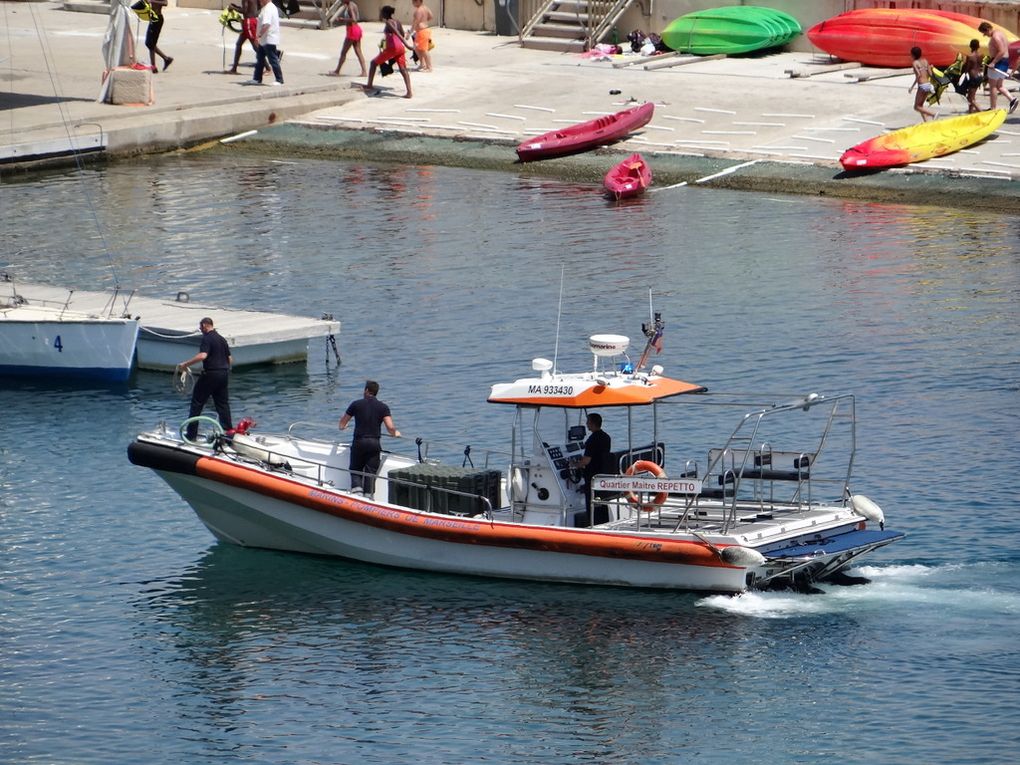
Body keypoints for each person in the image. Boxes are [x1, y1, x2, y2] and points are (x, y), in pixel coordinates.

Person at [338, 380, 401, 496]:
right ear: (376, 392)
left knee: (356, 469)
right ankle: (368, 496)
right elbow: (390, 427)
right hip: (374, 443)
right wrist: (396, 433)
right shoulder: (383, 407)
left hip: (359, 441)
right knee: (371, 472)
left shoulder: (356, 404)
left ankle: (357, 494)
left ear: (366, 390)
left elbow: (342, 424)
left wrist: (343, 426)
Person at [178, 318, 233, 442]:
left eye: (201, 328)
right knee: (222, 405)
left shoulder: (207, 338)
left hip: (210, 374)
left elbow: (203, 355)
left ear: (204, 326)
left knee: (197, 402)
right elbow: (230, 359)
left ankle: (191, 434)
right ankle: (228, 434)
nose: (201, 330)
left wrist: (186, 364)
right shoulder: (222, 339)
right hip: (223, 374)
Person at [570, 413, 612, 525]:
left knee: (591, 504)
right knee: (602, 502)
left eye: (588, 422)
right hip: (603, 474)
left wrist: (573, 464)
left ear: (592, 423)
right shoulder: (606, 437)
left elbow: (586, 461)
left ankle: (593, 523)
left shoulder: (591, 440)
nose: (586, 424)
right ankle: (604, 522)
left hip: (592, 476)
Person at [363, 5, 412, 99]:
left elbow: (397, 33)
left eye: (381, 13)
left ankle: (369, 85)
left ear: (385, 14)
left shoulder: (388, 22)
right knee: (403, 69)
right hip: (400, 48)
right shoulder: (397, 21)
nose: (380, 14)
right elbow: (401, 33)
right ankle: (409, 92)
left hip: (392, 48)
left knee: (373, 63)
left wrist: (408, 45)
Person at [978, 21, 1018, 113]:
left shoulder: (995, 37)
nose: (985, 35)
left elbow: (1001, 51)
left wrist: (993, 62)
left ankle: (993, 108)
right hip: (1004, 61)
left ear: (987, 29)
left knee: (993, 86)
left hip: (998, 62)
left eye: (984, 33)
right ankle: (1012, 99)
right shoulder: (1000, 33)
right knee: (999, 86)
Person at [247, 0, 284, 87]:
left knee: (273, 59)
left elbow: (266, 24)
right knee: (259, 59)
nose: (259, 1)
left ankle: (279, 79)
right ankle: (257, 78)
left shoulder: (268, 9)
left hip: (269, 39)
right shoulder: (269, 7)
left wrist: (258, 36)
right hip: (264, 40)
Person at [329, 0, 367, 77]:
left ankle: (337, 71)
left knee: (343, 52)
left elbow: (354, 19)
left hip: (352, 30)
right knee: (358, 51)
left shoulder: (350, 6)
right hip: (356, 29)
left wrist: (342, 19)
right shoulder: (353, 5)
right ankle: (364, 71)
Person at [227, 0, 259, 75]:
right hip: (251, 21)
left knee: (255, 45)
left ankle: (268, 68)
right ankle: (234, 68)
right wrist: (235, 7)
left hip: (249, 22)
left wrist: (233, 8)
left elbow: (244, 10)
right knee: (239, 44)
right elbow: (249, 8)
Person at [908, 47, 937, 122]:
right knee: (920, 106)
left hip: (922, 86)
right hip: (928, 85)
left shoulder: (915, 63)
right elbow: (930, 74)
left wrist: (912, 87)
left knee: (916, 107)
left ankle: (933, 114)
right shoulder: (925, 61)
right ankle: (926, 122)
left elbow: (918, 75)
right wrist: (931, 68)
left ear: (913, 55)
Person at [145, 0, 173, 73]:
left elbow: (165, 3)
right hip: (153, 17)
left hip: (158, 18)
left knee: (150, 43)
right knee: (150, 43)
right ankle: (166, 59)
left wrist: (152, 1)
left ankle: (154, 66)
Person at [410, 0, 434, 73]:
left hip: (422, 31)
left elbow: (415, 22)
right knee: (417, 48)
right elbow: (431, 17)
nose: (412, 3)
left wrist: (410, 31)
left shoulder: (418, 11)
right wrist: (425, 21)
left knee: (424, 50)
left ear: (418, 1)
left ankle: (429, 67)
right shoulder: (426, 8)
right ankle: (422, 64)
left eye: (414, 1)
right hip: (424, 30)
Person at [963, 39, 984, 113]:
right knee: (972, 96)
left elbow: (967, 68)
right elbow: (979, 65)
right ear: (978, 46)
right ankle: (970, 111)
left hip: (973, 77)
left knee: (970, 99)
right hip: (979, 76)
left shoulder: (970, 56)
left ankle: (981, 111)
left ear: (970, 46)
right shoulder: (981, 55)